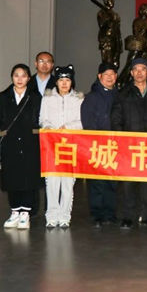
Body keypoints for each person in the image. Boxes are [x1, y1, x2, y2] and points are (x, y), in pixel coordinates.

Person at [0, 64, 42, 230]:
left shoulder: (35, 96)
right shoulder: (4, 96)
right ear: (12, 77)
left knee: (28, 178)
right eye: (16, 75)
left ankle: (25, 213)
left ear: (28, 78)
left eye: (23, 75)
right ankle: (14, 211)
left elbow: (41, 119)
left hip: (30, 143)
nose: (20, 79)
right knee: (12, 178)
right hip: (10, 143)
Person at [111, 58, 147, 229]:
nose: (139, 73)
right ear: (131, 73)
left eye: (143, 69)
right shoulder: (123, 93)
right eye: (136, 70)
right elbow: (116, 118)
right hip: (129, 145)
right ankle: (127, 216)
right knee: (127, 183)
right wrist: (120, 138)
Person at [39, 65, 84, 229]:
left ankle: (65, 216)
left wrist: (68, 127)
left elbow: (82, 122)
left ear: (72, 82)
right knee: (51, 182)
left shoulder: (79, 99)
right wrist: (49, 127)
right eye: (61, 80)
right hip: (51, 145)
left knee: (67, 183)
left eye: (67, 80)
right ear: (56, 82)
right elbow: (42, 119)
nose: (64, 83)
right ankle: (51, 216)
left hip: (70, 146)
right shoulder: (47, 98)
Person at [81, 62, 119, 227]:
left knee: (112, 181)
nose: (109, 77)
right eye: (106, 74)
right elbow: (87, 121)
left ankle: (110, 213)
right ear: (99, 76)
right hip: (97, 145)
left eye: (112, 74)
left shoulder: (119, 95)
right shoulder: (92, 97)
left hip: (116, 146)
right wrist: (96, 140)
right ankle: (97, 214)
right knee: (97, 182)